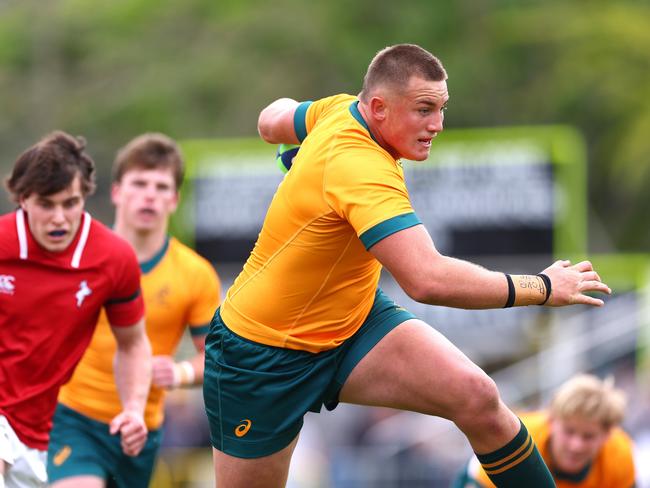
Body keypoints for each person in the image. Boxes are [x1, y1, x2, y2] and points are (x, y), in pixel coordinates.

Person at [202, 43, 611, 488]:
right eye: (423, 109)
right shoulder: (361, 167)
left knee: (477, 397)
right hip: (261, 356)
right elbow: (426, 279)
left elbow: (269, 120)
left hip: (353, 322)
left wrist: (301, 148)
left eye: (441, 108)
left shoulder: (338, 110)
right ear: (378, 107)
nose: (436, 124)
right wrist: (542, 287)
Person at [46, 133, 222, 488]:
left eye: (160, 187)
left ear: (174, 199)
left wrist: (180, 373)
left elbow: (217, 357)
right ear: (116, 192)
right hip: (70, 417)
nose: (149, 195)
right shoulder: (74, 255)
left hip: (141, 428)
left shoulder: (195, 273)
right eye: (139, 183)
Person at [0, 131, 152, 488]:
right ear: (23, 199)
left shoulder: (113, 259)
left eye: (69, 203)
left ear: (85, 196)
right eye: (46, 204)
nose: (59, 218)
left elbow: (133, 343)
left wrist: (133, 408)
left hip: (41, 431)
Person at [456, 374, 636, 488]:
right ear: (551, 421)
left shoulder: (619, 456)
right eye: (569, 431)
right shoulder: (516, 440)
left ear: (607, 434)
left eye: (588, 436)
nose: (576, 446)